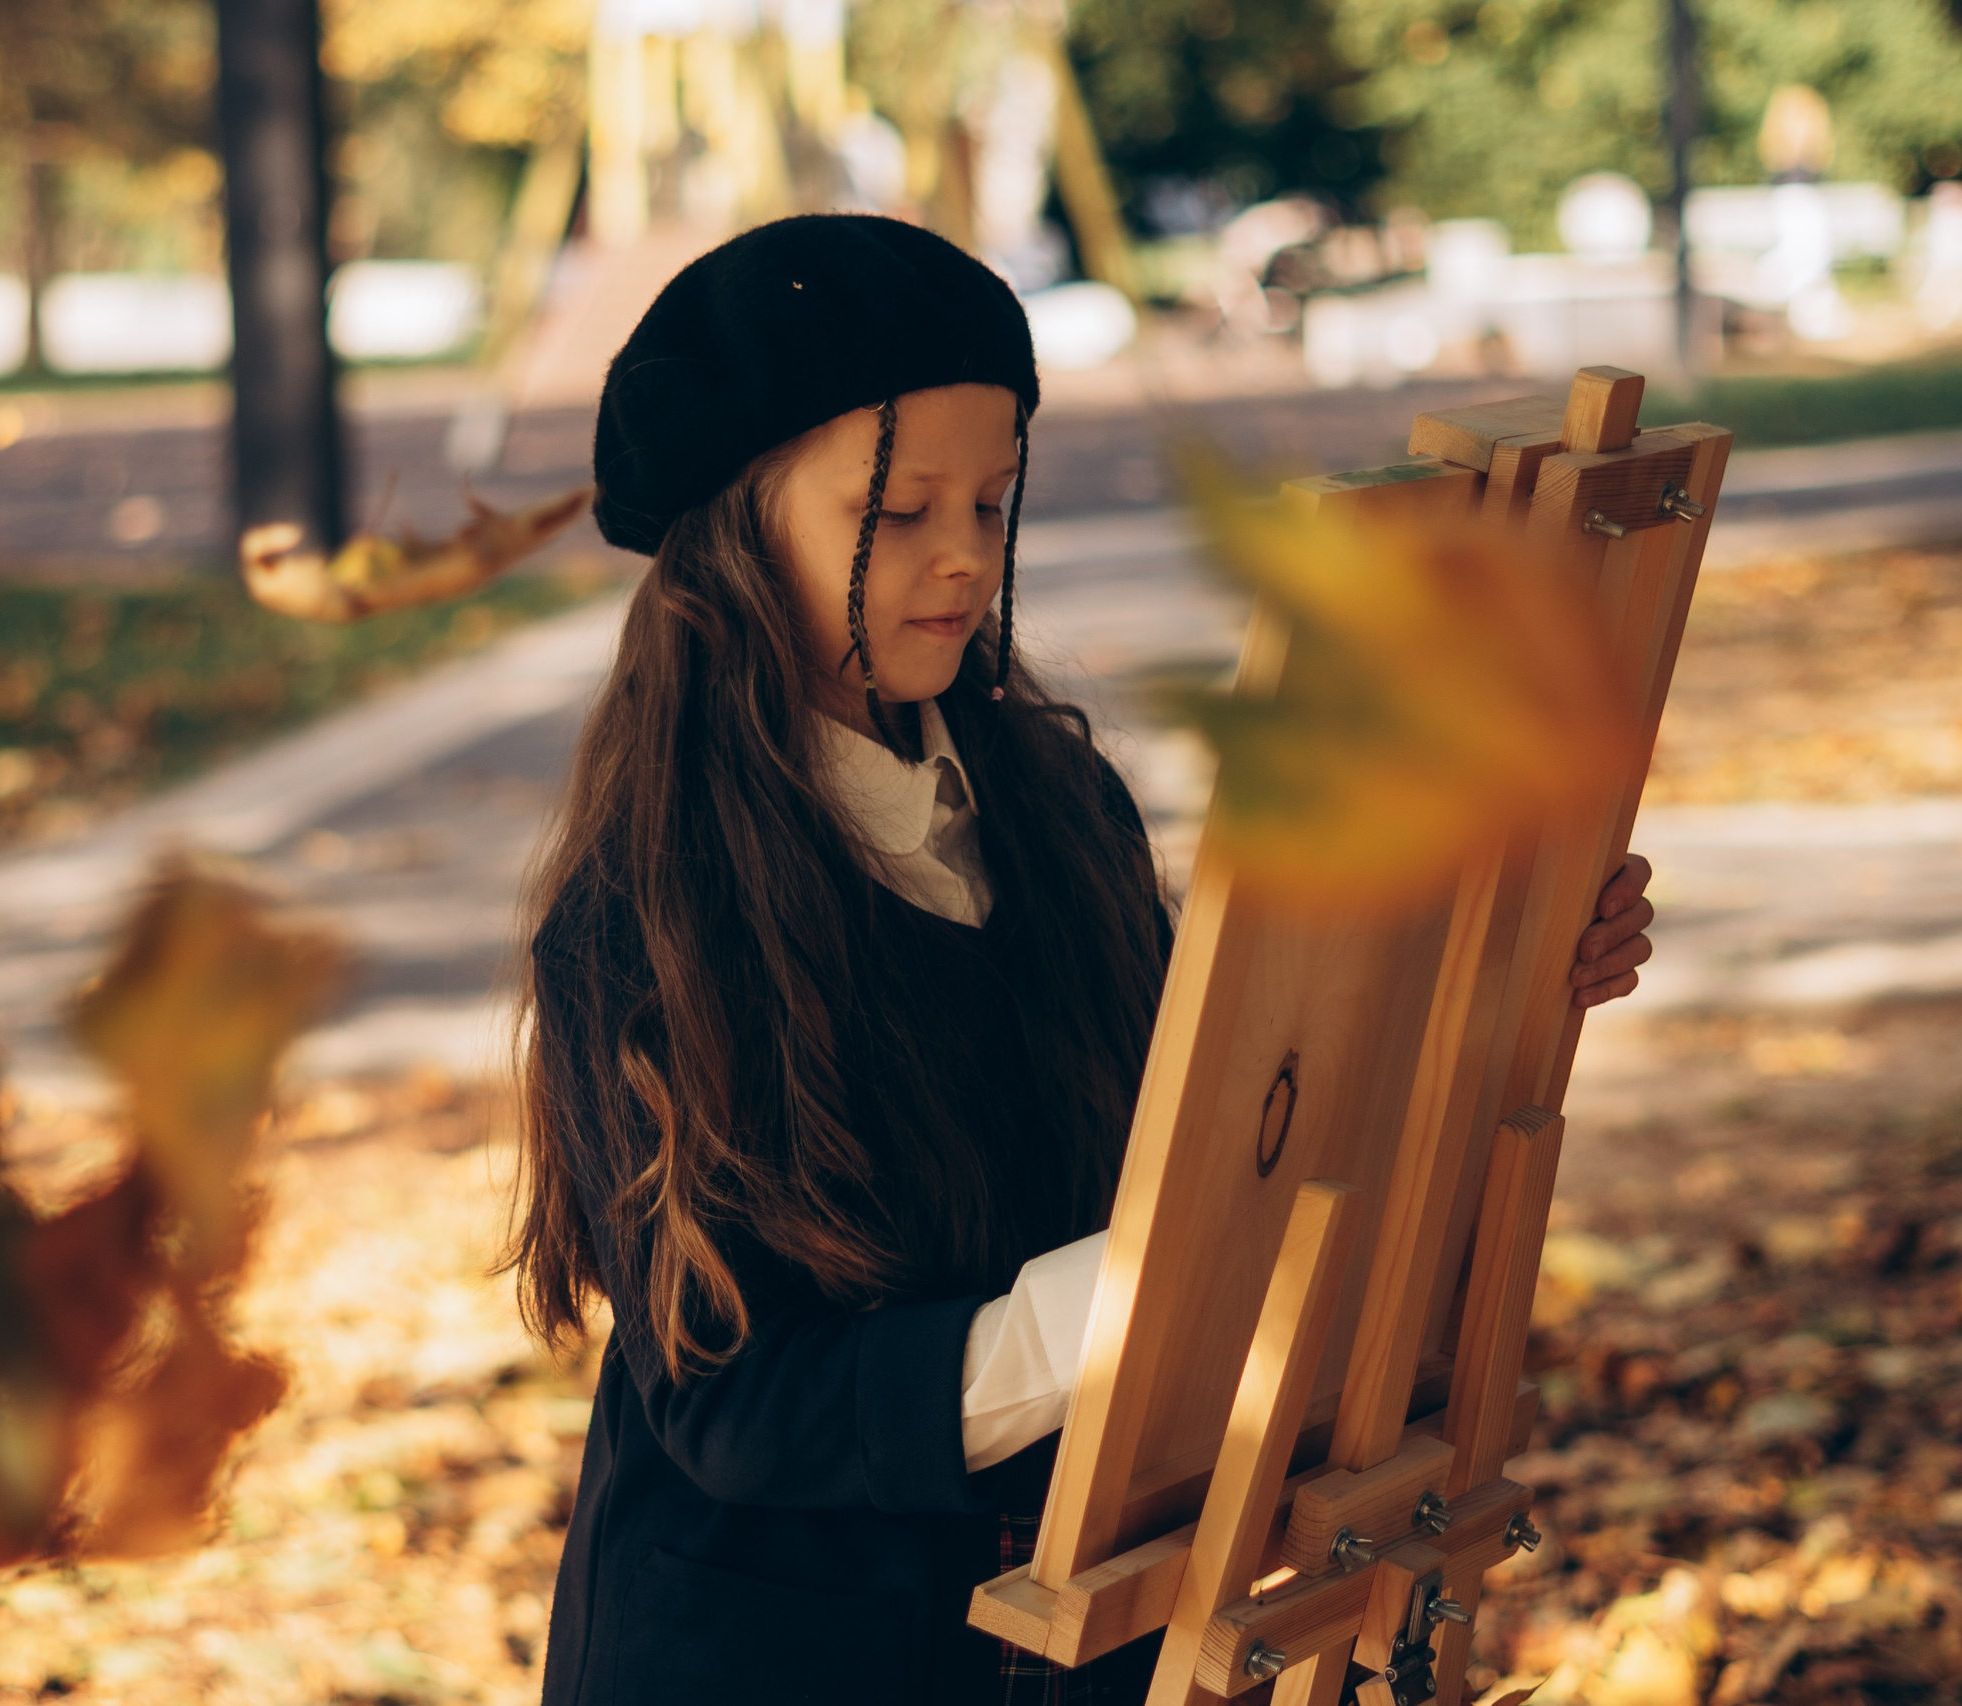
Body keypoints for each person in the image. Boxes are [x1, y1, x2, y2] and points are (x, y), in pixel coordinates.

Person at [509, 214, 1656, 1706]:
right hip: (767, 1647)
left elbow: (1224, 1103)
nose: (961, 559)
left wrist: (1505, 968)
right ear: (734, 528)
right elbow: (743, 1400)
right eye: (899, 508)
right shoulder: (645, 913)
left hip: (1074, 1632)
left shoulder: (1055, 807)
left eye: (993, 503)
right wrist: (1126, 1303)